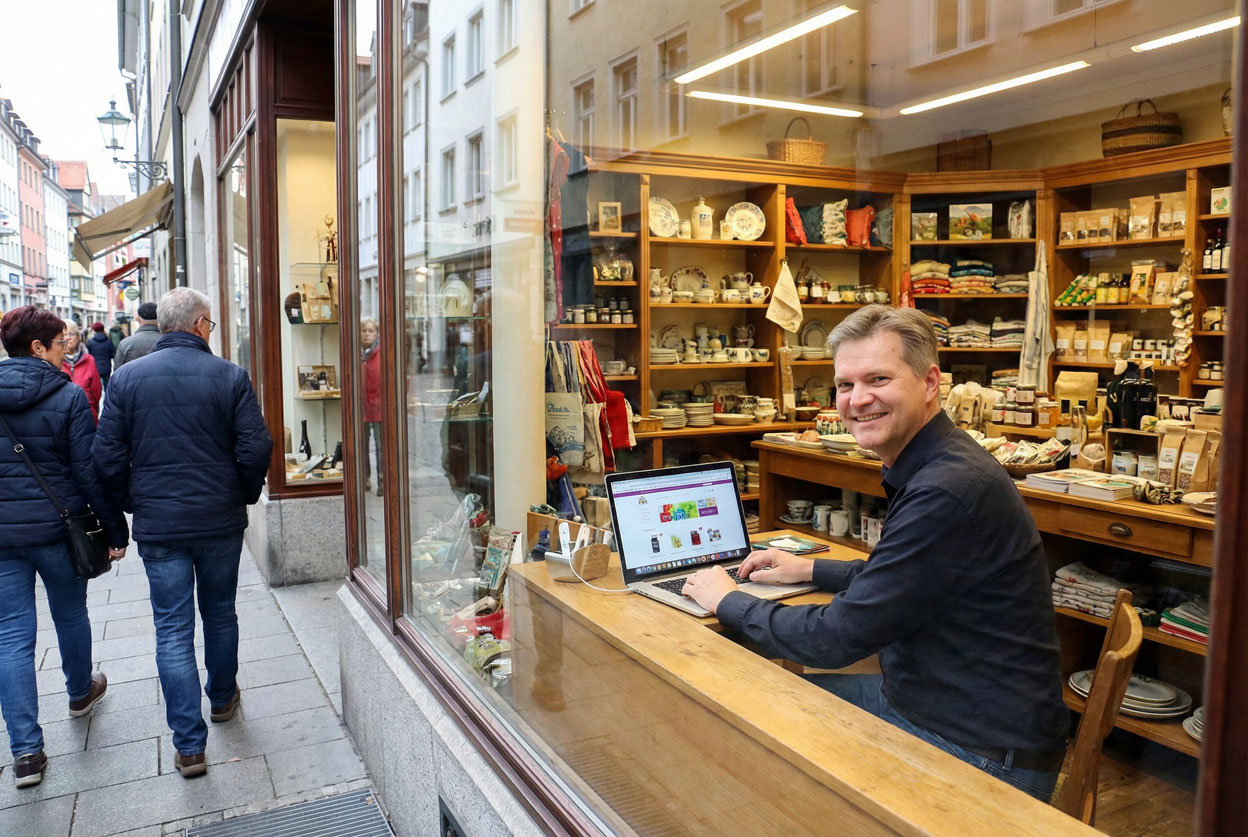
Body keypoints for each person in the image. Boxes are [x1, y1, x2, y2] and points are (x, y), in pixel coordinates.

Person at [682, 305, 1068, 802]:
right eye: (845, 385)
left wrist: (727, 599)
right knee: (762, 704)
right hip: (951, 710)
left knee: (748, 726)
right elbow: (909, 581)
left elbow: (836, 639)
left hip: (980, 751)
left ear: (930, 382)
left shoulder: (943, 490)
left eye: (878, 379)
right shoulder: (941, 462)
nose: (858, 400)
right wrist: (809, 568)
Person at [92, 287, 273, 778]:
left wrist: (133, 501)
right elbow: (256, 446)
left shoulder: (127, 379)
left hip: (161, 524)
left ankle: (190, 746)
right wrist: (243, 492)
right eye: (210, 324)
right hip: (218, 519)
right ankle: (221, 698)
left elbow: (105, 460)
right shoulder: (230, 375)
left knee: (172, 628)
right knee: (219, 613)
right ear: (198, 325)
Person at [0, 306, 128, 789]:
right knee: (70, 614)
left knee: (11, 637)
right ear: (37, 347)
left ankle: (27, 752)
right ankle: (79, 692)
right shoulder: (68, 397)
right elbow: (88, 473)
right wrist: (115, 531)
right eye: (59, 344)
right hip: (57, 530)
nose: (66, 351)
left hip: (3, 538)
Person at [62, 322, 102, 421]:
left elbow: (96, 391)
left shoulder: (89, 360)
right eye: (63, 335)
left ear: (79, 337)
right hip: (62, 416)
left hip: (86, 415)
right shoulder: (55, 361)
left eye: (71, 334)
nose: (67, 338)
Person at [361, 317, 383, 495]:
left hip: (379, 406)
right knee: (361, 444)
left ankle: (382, 480)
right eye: (364, 331)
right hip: (360, 406)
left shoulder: (381, 353)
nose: (367, 334)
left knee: (381, 445)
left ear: (376, 333)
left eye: (371, 331)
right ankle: (364, 478)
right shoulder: (357, 354)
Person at [114, 302, 161, 368]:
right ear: (159, 318)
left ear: (138, 319)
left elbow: (117, 372)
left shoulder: (125, 344)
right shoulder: (167, 341)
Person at [86, 322, 116, 392]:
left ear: (94, 330)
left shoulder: (90, 342)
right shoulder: (108, 341)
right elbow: (113, 354)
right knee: (107, 387)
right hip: (106, 367)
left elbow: (88, 355)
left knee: (96, 388)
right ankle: (107, 401)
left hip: (95, 368)